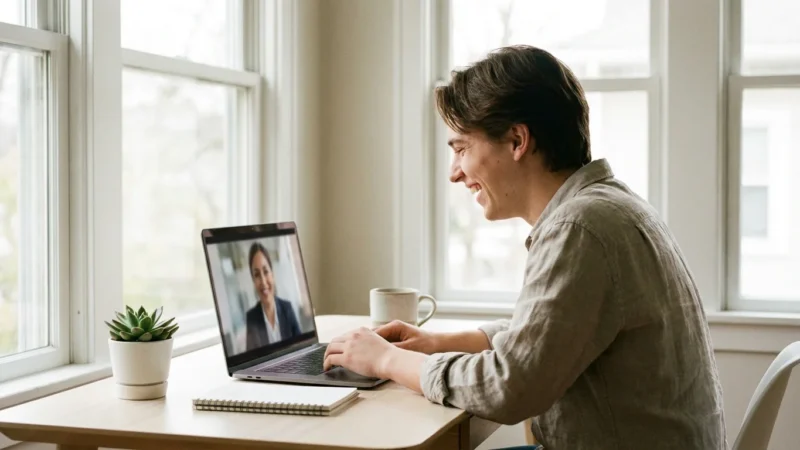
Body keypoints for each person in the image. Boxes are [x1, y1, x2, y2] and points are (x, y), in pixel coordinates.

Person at [323, 45, 727, 449]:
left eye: (462, 148)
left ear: (517, 140)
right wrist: (436, 343)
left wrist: (386, 360)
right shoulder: (610, 207)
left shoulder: (580, 227)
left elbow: (509, 387)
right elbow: (545, 334)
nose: (454, 173)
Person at [245, 242, 302, 351]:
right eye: (257, 275)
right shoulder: (251, 318)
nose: (263, 281)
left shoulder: (287, 309)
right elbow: (250, 361)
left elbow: (303, 346)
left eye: (266, 272)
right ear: (253, 280)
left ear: (272, 274)